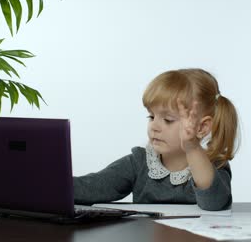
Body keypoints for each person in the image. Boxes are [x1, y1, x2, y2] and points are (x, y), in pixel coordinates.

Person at [73, 68, 239, 211]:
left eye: (168, 120)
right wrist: (51, 184)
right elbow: (94, 187)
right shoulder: (139, 163)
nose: (154, 126)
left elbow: (214, 203)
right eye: (151, 116)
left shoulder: (214, 165)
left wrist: (193, 148)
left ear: (201, 128)